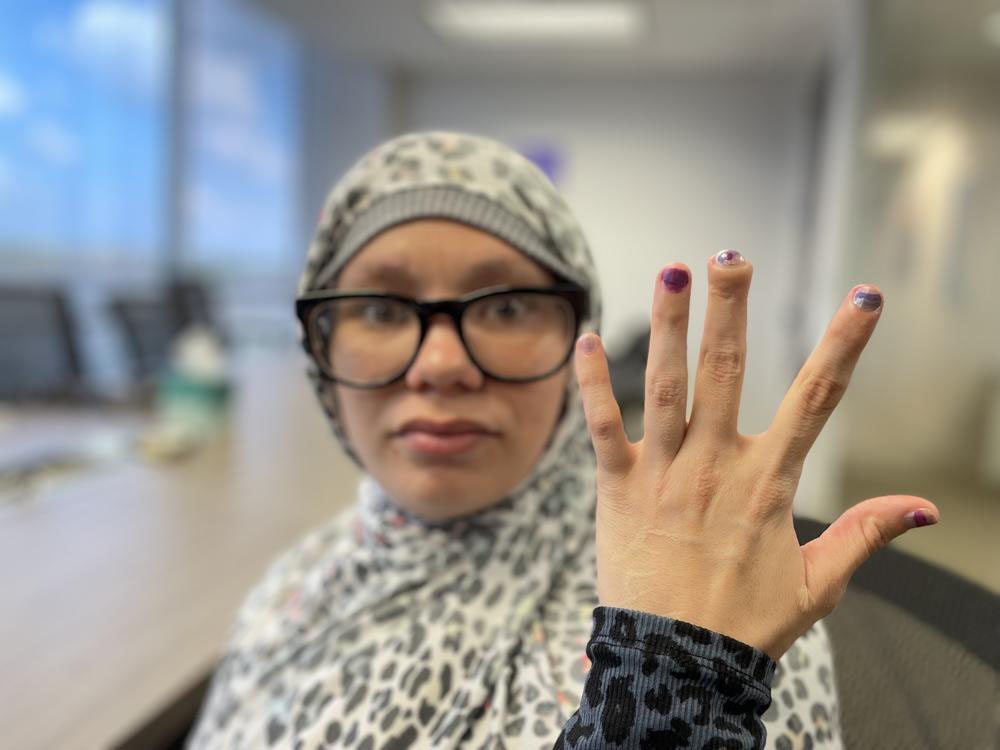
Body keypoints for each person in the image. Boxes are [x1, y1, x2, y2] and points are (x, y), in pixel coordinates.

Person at [185, 131, 939, 749]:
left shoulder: (718, 587)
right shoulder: (295, 589)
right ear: (321, 346)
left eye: (507, 307)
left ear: (580, 333)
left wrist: (674, 683)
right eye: (380, 311)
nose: (441, 365)